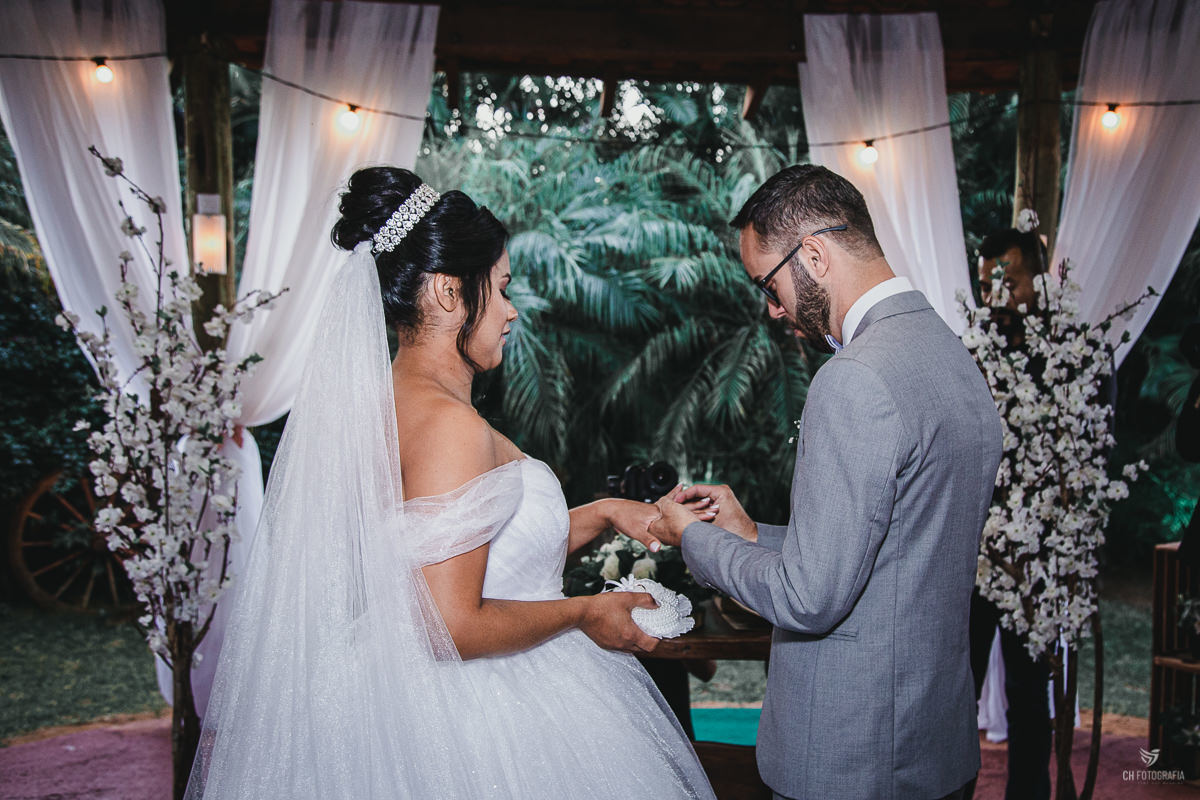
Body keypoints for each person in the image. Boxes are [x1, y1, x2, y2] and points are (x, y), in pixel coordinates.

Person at [185, 167, 716, 799]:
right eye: (501, 288)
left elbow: (472, 554)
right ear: (446, 292)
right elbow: (452, 623)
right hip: (481, 720)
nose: (512, 311)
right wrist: (587, 612)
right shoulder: (450, 426)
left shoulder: (391, 404)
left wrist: (600, 513)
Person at [648, 164, 1004, 800]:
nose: (772, 307)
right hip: (936, 744)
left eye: (770, 283)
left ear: (812, 254)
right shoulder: (951, 355)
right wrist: (753, 533)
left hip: (853, 755)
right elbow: (895, 544)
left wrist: (692, 540)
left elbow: (808, 597)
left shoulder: (854, 379)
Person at [970, 226, 1055, 800]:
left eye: (1007, 281)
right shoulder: (972, 352)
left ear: (1038, 280)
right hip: (973, 556)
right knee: (955, 693)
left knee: (1029, 698)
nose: (994, 297)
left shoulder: (1073, 353)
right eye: (984, 285)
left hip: (1039, 563)